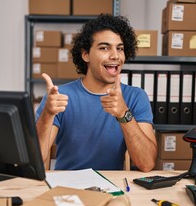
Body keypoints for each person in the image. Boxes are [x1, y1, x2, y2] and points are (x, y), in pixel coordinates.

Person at [35, 14, 157, 172]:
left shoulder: (135, 97)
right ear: (86, 55)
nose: (115, 55)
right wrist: (47, 114)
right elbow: (37, 159)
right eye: (104, 48)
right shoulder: (59, 96)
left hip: (112, 188)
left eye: (119, 48)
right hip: (68, 188)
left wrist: (124, 114)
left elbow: (147, 164)